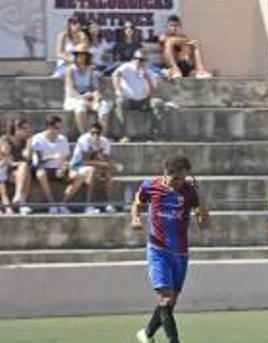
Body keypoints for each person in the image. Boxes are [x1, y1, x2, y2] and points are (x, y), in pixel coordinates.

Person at [132, 155, 209, 343]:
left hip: (180, 253)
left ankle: (147, 334)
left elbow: (204, 224)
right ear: (166, 174)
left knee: (170, 303)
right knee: (166, 297)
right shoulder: (150, 186)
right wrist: (135, 218)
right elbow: (137, 203)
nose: (179, 183)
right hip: (158, 249)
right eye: (176, 179)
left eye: (183, 178)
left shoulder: (189, 192)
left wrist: (201, 196)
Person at [113, 50, 176, 141]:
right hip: (128, 100)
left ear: (146, 61)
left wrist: (147, 78)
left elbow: (152, 92)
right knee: (119, 102)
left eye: (141, 60)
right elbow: (116, 75)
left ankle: (152, 134)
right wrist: (118, 89)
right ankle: (124, 135)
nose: (138, 61)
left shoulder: (150, 73)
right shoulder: (127, 67)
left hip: (144, 101)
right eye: (136, 59)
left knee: (158, 103)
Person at [31, 115, 79, 214]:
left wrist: (64, 167)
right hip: (44, 168)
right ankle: (51, 203)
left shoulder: (63, 139)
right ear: (49, 127)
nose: (59, 131)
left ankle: (63, 204)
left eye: (60, 128)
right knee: (41, 174)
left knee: (78, 175)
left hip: (58, 169)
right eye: (56, 128)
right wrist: (52, 156)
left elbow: (66, 159)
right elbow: (39, 161)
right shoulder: (38, 139)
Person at [64, 43, 113, 134]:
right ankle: (84, 135)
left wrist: (96, 95)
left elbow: (93, 87)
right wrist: (82, 98)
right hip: (74, 97)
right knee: (80, 106)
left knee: (104, 105)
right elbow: (71, 89)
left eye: (83, 54)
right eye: (78, 54)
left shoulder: (90, 69)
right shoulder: (70, 69)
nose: (81, 57)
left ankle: (101, 135)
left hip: (88, 97)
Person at [70, 122, 117, 214]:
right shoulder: (83, 140)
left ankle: (109, 204)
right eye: (93, 132)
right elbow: (85, 160)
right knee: (92, 171)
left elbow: (105, 158)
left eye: (97, 133)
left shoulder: (104, 141)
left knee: (108, 174)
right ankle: (88, 205)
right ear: (89, 132)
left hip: (94, 165)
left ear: (101, 133)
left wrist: (106, 163)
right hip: (78, 165)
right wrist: (101, 162)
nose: (95, 135)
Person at [0, 117, 34, 214]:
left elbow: (27, 157)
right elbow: (5, 156)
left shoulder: (25, 141)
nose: (28, 131)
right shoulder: (5, 139)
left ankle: (21, 201)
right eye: (25, 129)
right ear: (16, 129)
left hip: (18, 172)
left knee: (26, 169)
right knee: (24, 167)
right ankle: (20, 199)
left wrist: (29, 144)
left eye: (28, 128)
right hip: (5, 171)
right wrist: (16, 163)